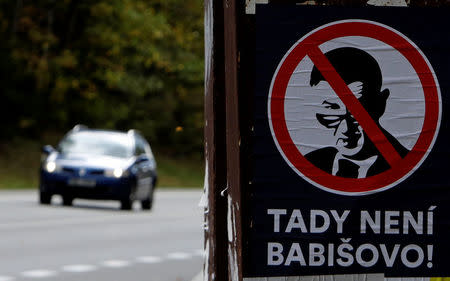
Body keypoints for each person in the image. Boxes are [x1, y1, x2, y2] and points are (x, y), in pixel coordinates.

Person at [304, 47, 408, 178]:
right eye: (332, 110)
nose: (346, 129)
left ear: (381, 103)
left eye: (358, 110)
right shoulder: (309, 164)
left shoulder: (410, 167)